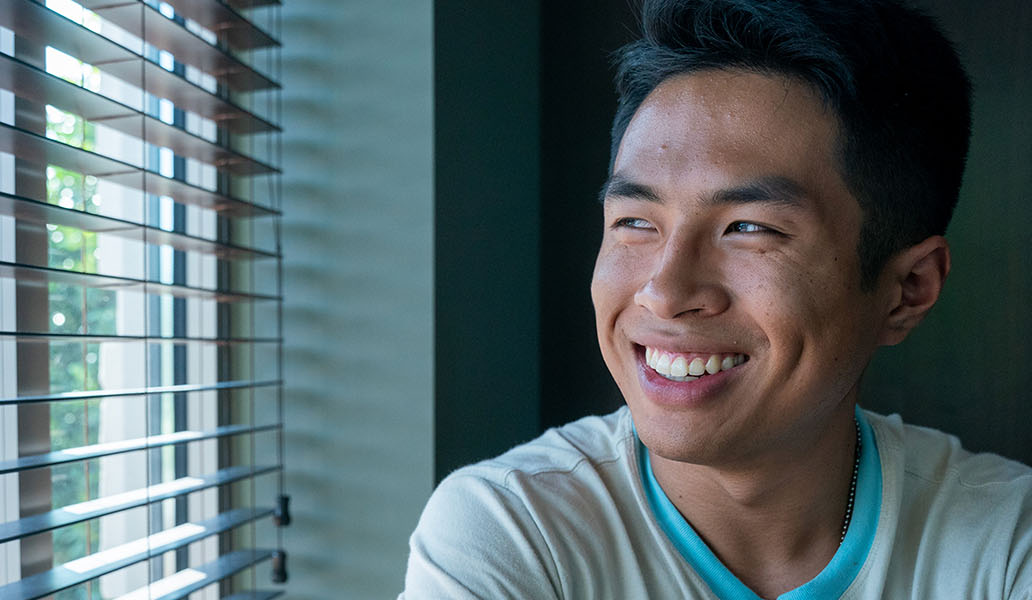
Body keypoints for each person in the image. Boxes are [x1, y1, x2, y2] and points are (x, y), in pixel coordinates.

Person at [401, 0, 1031, 598]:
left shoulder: (1005, 544)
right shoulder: (514, 533)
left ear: (908, 290)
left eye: (749, 228)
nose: (666, 293)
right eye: (635, 222)